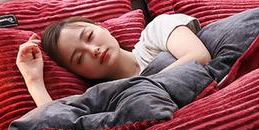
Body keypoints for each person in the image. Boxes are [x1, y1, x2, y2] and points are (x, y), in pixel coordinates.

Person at [16, 13, 211, 107]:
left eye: (89, 36)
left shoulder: (154, 34)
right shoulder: (107, 99)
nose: (93, 50)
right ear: (78, 73)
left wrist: (139, 88)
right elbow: (61, 127)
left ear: (102, 27)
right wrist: (34, 81)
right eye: (80, 58)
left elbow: (199, 56)